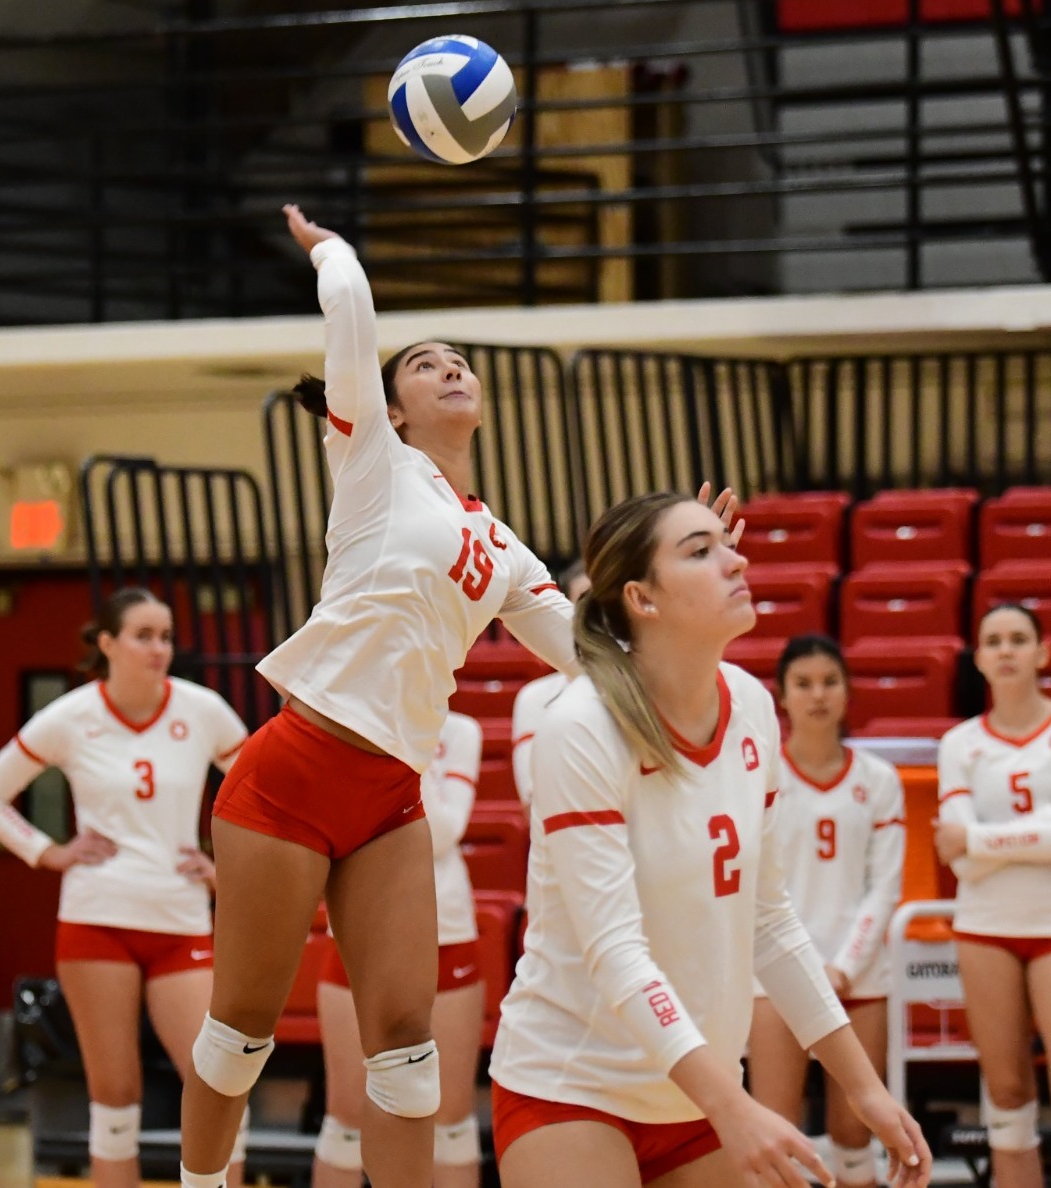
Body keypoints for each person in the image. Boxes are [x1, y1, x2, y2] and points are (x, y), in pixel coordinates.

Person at [179, 202, 683, 1188]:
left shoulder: (499, 544)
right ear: (393, 405)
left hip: (388, 798)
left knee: (409, 1050)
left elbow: (581, 653)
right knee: (240, 1034)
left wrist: (671, 621)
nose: (452, 367)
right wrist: (335, 253)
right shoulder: (372, 463)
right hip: (289, 774)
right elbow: (353, 319)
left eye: (462, 360)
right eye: (427, 363)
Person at [489, 493, 931, 1188]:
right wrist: (736, 1107)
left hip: (699, 1089)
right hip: (572, 1084)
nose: (738, 560)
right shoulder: (579, 727)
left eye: (727, 544)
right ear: (642, 597)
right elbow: (615, 953)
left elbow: (770, 922)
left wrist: (863, 1085)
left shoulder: (753, 706)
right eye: (701, 551)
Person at [0, 588, 250, 1188]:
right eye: (143, 635)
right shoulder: (72, 716)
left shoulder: (203, 711)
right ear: (107, 644)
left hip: (180, 921)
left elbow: (261, 796)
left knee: (216, 1079)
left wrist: (227, 870)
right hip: (98, 919)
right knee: (115, 1095)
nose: (159, 648)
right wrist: (49, 852)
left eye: (166, 636)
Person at [934, 604, 1051, 1188]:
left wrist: (983, 839)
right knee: (1007, 1104)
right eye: (994, 640)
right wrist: (1035, 832)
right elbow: (956, 856)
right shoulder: (959, 743)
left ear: (1043, 654)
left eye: (1019, 639)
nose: (1007, 649)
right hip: (984, 926)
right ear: (980, 659)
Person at [747, 634, 906, 1188]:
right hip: (772, 975)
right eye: (804, 684)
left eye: (830, 681)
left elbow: (884, 888)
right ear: (782, 698)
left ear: (847, 691)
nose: (818, 694)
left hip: (858, 974)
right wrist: (803, 969)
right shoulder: (759, 778)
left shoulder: (879, 781)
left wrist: (842, 965)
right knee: (774, 1131)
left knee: (856, 1134)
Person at [313, 711, 486, 1188]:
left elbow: (446, 830)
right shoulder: (346, 720)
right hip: (358, 930)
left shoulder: (460, 730)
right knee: (346, 1119)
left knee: (451, 1122)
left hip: (445, 929)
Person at [510, 560, 592, 807]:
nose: (601, 611)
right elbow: (533, 800)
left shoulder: (651, 682)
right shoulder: (535, 698)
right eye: (587, 601)